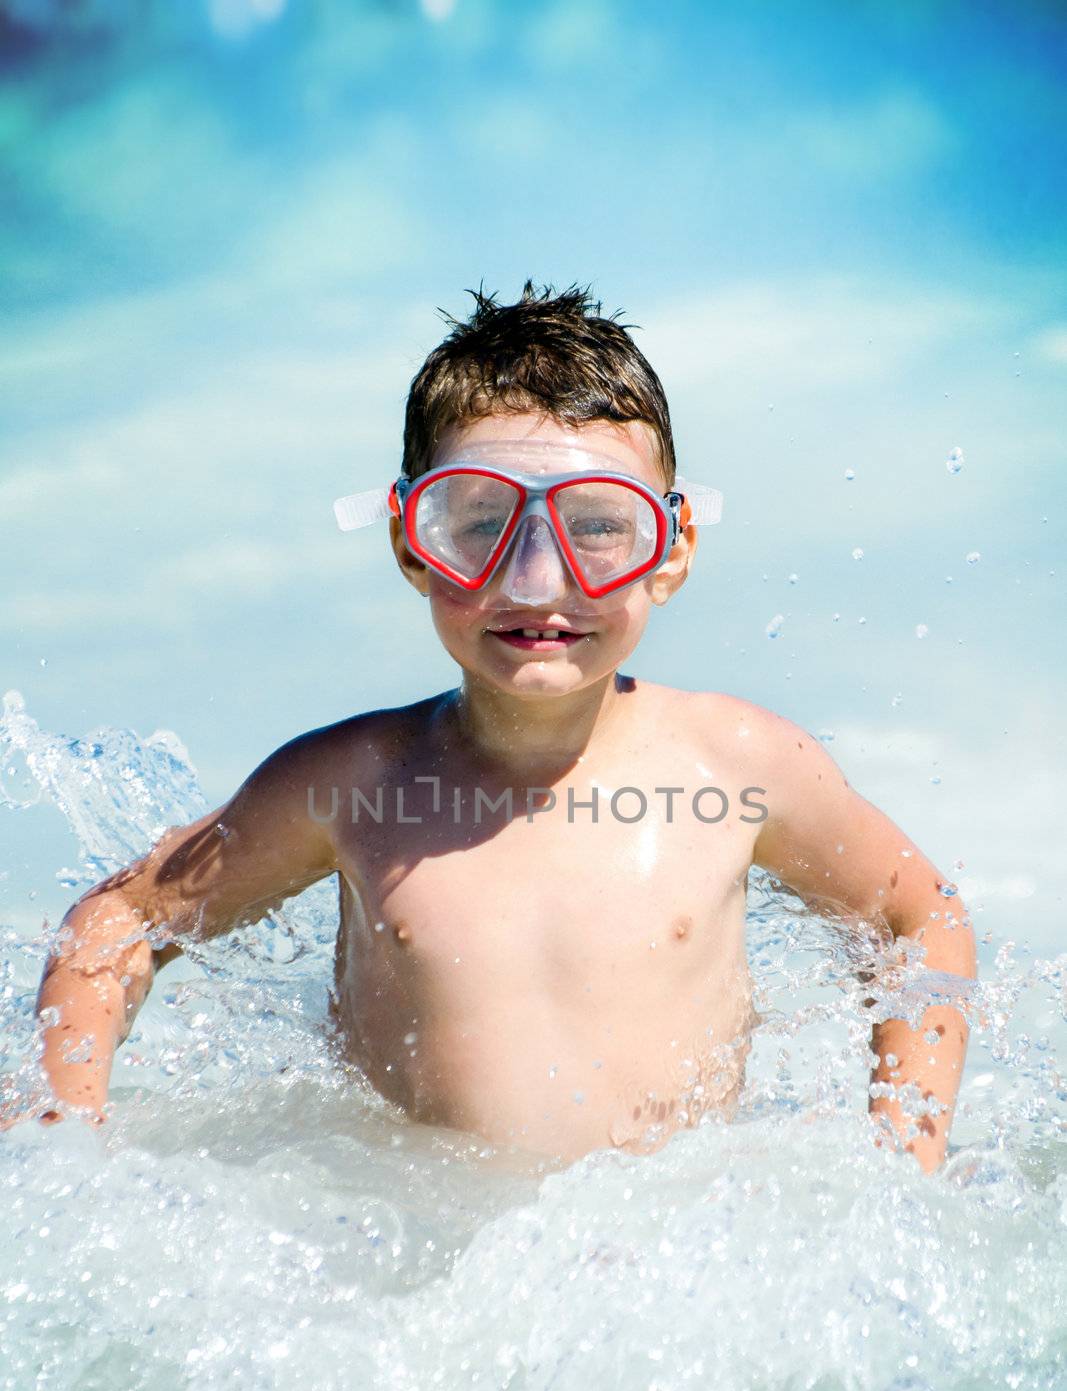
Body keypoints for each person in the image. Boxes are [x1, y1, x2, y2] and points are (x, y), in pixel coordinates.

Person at [13, 282, 977, 1172]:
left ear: (671, 550)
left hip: (670, 1272)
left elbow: (917, 914)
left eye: (599, 526)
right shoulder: (350, 784)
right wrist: (61, 1139)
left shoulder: (737, 764)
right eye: (476, 522)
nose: (537, 580)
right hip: (418, 1277)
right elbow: (120, 920)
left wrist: (904, 1157)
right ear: (409, 544)